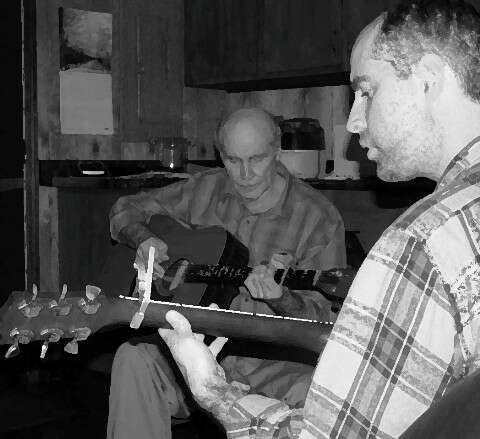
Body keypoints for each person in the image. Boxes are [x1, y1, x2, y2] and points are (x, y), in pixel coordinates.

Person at [158, 1, 480, 438]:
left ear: (429, 78)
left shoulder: (422, 242)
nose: (352, 121)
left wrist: (213, 389)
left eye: (366, 91)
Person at [106, 107, 347, 439]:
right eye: (233, 161)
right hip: (193, 349)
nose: (246, 174)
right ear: (221, 155)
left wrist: (283, 299)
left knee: (324, 401)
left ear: (277, 151)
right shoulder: (204, 189)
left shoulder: (318, 217)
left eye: (258, 159)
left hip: (272, 365)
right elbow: (125, 209)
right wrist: (144, 238)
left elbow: (327, 321)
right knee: (133, 359)